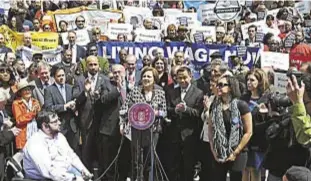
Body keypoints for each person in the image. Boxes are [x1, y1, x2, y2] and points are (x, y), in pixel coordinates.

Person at [119, 66, 167, 180]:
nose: (146, 78)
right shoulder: (135, 91)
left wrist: (156, 112)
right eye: (144, 76)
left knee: (149, 159)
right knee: (136, 159)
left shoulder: (160, 93)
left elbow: (164, 112)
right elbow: (123, 109)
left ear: (154, 79)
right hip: (136, 130)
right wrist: (124, 121)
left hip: (153, 130)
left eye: (149, 76)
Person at [23, 110, 92, 181]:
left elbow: (72, 156)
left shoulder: (59, 136)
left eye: (58, 120)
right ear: (45, 126)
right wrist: (74, 178)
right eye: (55, 121)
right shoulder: (36, 143)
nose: (59, 123)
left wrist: (84, 171)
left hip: (67, 171)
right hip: (48, 178)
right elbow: (49, 172)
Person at [208, 74, 252, 181]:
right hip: (219, 151)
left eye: (222, 85)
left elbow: (248, 132)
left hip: (238, 151)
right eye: (217, 85)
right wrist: (214, 151)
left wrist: (235, 152)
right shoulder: (214, 106)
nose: (218, 87)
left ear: (231, 87)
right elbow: (210, 130)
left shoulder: (241, 105)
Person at [165, 66, 204, 181]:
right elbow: (167, 109)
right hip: (174, 136)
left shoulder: (198, 93)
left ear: (191, 76)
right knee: (174, 167)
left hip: (190, 136)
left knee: (188, 168)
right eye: (179, 78)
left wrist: (186, 110)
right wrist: (175, 110)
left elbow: (199, 113)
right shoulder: (172, 92)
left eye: (185, 78)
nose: (182, 81)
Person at [12, 79, 41, 150]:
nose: (28, 91)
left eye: (29, 89)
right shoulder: (16, 103)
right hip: (23, 135)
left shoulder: (35, 101)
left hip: (36, 131)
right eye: (25, 90)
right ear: (20, 92)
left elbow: (40, 116)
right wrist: (32, 113)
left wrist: (38, 110)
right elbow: (19, 120)